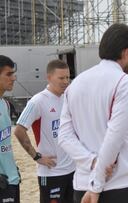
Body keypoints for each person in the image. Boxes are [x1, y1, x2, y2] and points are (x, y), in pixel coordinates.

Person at [58, 23, 128, 203]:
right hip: (120, 183)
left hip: (82, 183)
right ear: (126, 52)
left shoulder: (76, 83)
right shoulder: (125, 82)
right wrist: (97, 184)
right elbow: (114, 135)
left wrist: (91, 161)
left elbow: (64, 136)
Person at [14, 59, 75, 203]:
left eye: (67, 77)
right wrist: (37, 157)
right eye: (61, 78)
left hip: (72, 170)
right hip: (51, 173)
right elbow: (19, 130)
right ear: (49, 77)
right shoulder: (38, 101)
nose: (66, 81)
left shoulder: (67, 98)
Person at [0, 55, 20, 203]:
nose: (13, 78)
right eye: (8, 74)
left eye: (13, 73)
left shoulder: (5, 104)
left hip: (11, 179)